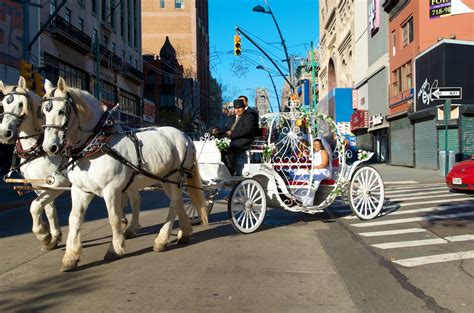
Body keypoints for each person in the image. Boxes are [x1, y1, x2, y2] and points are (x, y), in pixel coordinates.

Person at [225, 98, 257, 175]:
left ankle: (231, 172)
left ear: (243, 108)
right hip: (233, 139)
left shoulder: (249, 117)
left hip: (245, 140)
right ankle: (223, 169)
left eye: (240, 108)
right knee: (220, 148)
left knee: (231, 147)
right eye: (236, 108)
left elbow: (246, 130)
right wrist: (217, 131)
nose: (238, 110)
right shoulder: (231, 118)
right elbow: (226, 128)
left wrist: (231, 134)